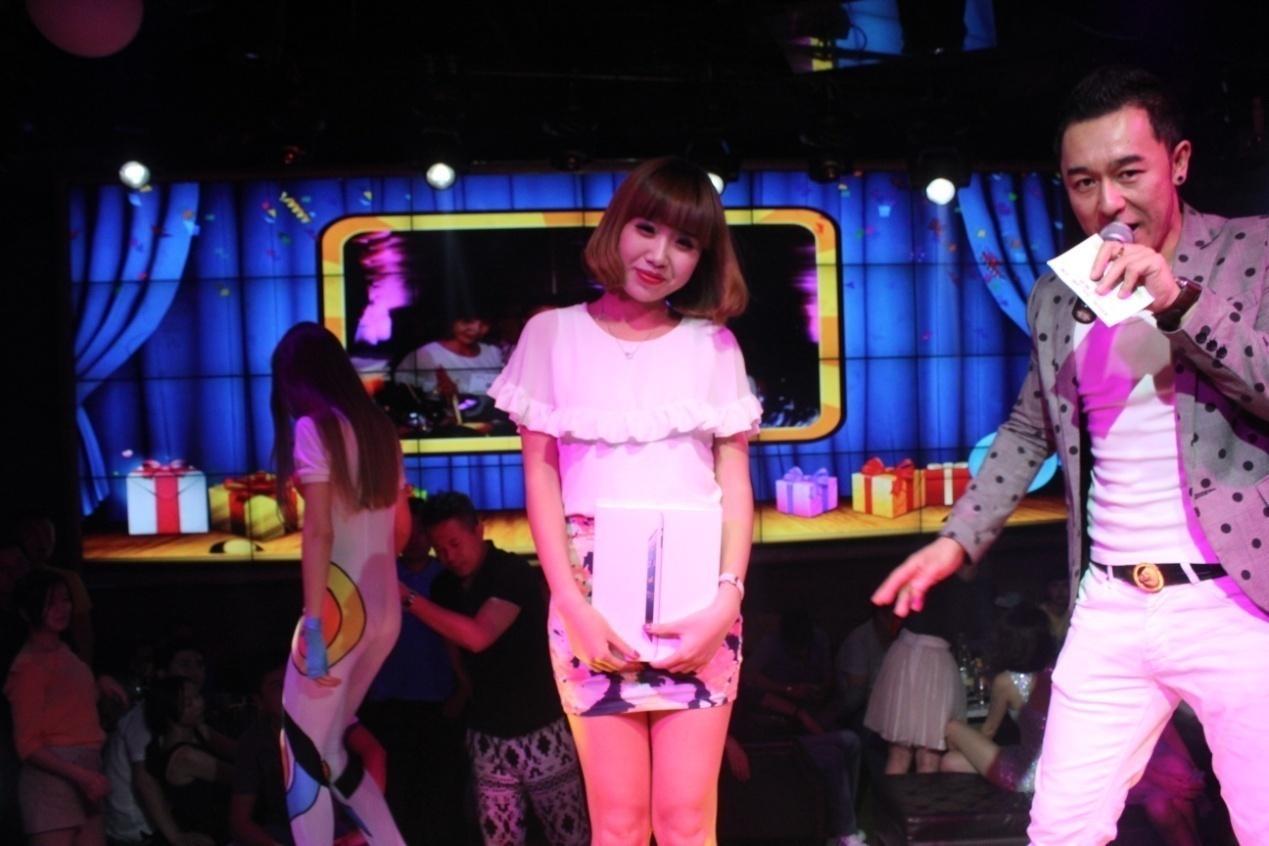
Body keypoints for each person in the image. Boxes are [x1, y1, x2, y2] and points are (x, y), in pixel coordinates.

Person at [872, 65, 1269, 845]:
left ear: (1177, 162)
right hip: (1109, 603)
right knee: (1058, 830)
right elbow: (1030, 429)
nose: (1107, 203)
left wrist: (1176, 301)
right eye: (1083, 182)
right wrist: (957, 539)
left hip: (1236, 601)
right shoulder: (1059, 293)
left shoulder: (1251, 250)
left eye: (1127, 173)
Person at [489, 156, 761, 845]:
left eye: (684, 242)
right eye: (647, 228)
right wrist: (572, 605)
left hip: (698, 592)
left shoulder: (714, 345)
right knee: (616, 823)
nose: (659, 255)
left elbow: (735, 481)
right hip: (590, 592)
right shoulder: (551, 333)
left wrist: (726, 599)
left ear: (702, 257)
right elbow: (540, 478)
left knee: (686, 821)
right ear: (617, 226)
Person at [270, 321, 411, 846]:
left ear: (294, 379)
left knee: (300, 753)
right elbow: (400, 530)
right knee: (329, 752)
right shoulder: (379, 431)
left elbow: (319, 531)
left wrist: (313, 625)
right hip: (383, 613)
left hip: (338, 613)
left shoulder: (316, 428)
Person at [405, 491, 588, 846]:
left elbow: (477, 636)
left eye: (455, 544)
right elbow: (454, 647)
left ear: (478, 529)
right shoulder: (443, 586)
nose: (449, 556)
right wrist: (466, 688)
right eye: (440, 549)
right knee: (499, 839)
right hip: (487, 733)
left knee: (570, 836)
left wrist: (409, 599)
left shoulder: (511, 572)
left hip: (541, 726)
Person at [359, 497, 466, 846]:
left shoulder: (447, 576)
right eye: (409, 531)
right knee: (395, 795)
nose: (416, 538)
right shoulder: (381, 576)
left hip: (440, 701)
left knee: (440, 797)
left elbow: (462, 639)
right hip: (390, 702)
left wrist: (462, 691)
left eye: (422, 531)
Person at [3, 568, 109, 846]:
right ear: (27, 611)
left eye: (65, 599)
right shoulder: (29, 666)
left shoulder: (65, 653)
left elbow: (69, 711)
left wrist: (100, 687)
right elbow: (27, 745)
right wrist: (82, 776)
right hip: (55, 776)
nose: (62, 608)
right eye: (50, 602)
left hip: (87, 770)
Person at [864, 562, 984, 774]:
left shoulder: (927, 570)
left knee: (902, 754)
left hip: (907, 654)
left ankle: (898, 796)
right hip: (929, 659)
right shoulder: (955, 580)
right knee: (924, 757)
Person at [940, 603, 1056, 792]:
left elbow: (989, 731)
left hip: (1026, 775)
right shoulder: (1058, 673)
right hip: (1057, 772)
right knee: (950, 762)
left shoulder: (1007, 681)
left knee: (952, 728)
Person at [142, 676, 233, 845]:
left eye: (197, 696)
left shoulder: (198, 731)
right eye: (188, 703)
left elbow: (236, 751)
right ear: (169, 711)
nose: (199, 704)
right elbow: (239, 778)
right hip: (203, 835)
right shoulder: (185, 756)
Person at [396, 312, 505, 396]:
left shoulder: (493, 352)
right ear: (452, 321)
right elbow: (401, 385)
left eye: (484, 324)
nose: (476, 329)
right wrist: (436, 389)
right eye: (467, 321)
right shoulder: (427, 354)